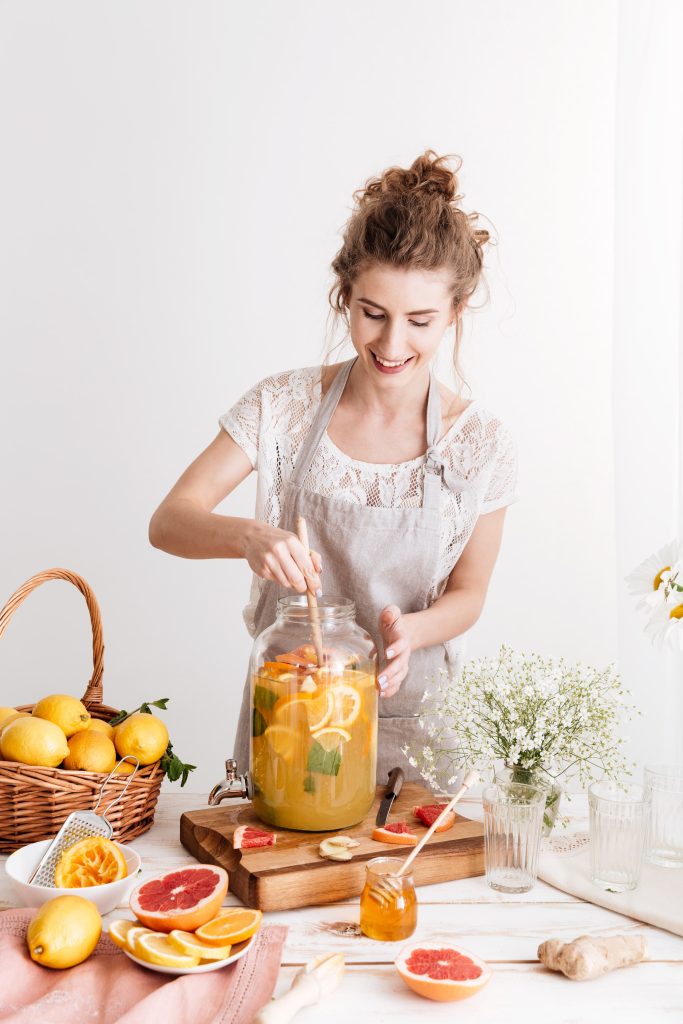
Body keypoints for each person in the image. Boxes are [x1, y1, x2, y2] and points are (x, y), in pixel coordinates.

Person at [149, 150, 518, 782]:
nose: (392, 343)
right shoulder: (282, 406)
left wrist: (413, 629)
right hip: (287, 718)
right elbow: (169, 521)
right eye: (372, 313)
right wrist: (248, 536)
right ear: (343, 296)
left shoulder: (480, 442)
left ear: (455, 312)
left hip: (413, 732)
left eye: (420, 320)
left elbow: (470, 593)